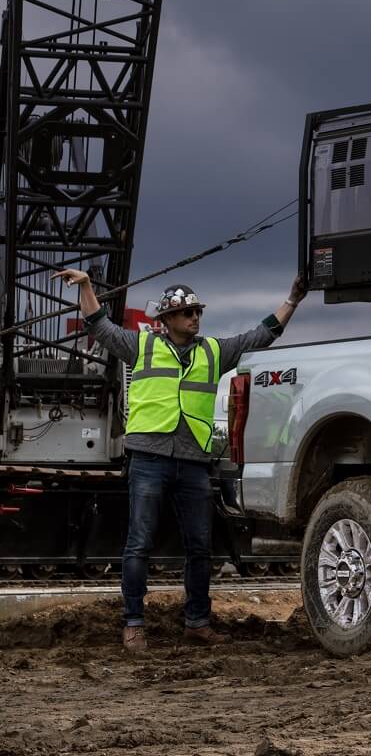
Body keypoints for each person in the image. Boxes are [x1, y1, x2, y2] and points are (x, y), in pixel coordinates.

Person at [51, 270, 308, 653]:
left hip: (192, 463)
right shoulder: (142, 346)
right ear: (167, 320)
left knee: (199, 548)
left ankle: (197, 623)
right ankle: (134, 624)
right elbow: (99, 325)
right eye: (186, 313)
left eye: (197, 312)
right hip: (149, 459)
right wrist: (87, 286)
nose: (194, 318)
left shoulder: (214, 351)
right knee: (138, 544)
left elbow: (262, 334)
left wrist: (292, 301)